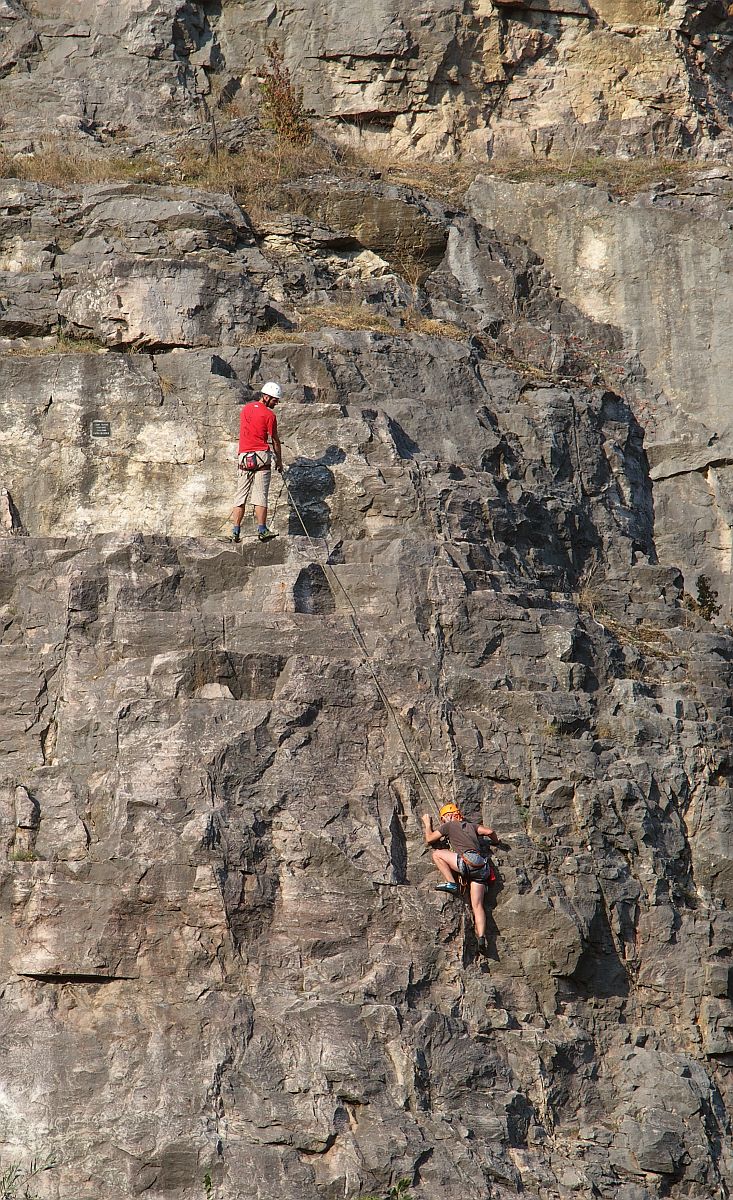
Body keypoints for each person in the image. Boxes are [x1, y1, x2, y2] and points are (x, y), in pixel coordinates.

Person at [422, 802, 499, 955]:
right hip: (482, 868)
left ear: (448, 816)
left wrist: (427, 823)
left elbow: (430, 839)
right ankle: (482, 937)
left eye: (443, 818)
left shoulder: (449, 826)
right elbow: (490, 831)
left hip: (467, 863)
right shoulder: (472, 826)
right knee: (477, 906)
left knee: (437, 854)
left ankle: (452, 883)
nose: (443, 821)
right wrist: (496, 842)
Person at [228, 381, 283, 543]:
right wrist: (279, 461)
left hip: (244, 456)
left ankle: (235, 532)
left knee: (240, 495)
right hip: (261, 457)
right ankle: (262, 530)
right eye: (274, 399)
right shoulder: (269, 415)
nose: (276, 402)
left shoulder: (246, 409)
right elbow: (275, 440)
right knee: (260, 495)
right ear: (266, 397)